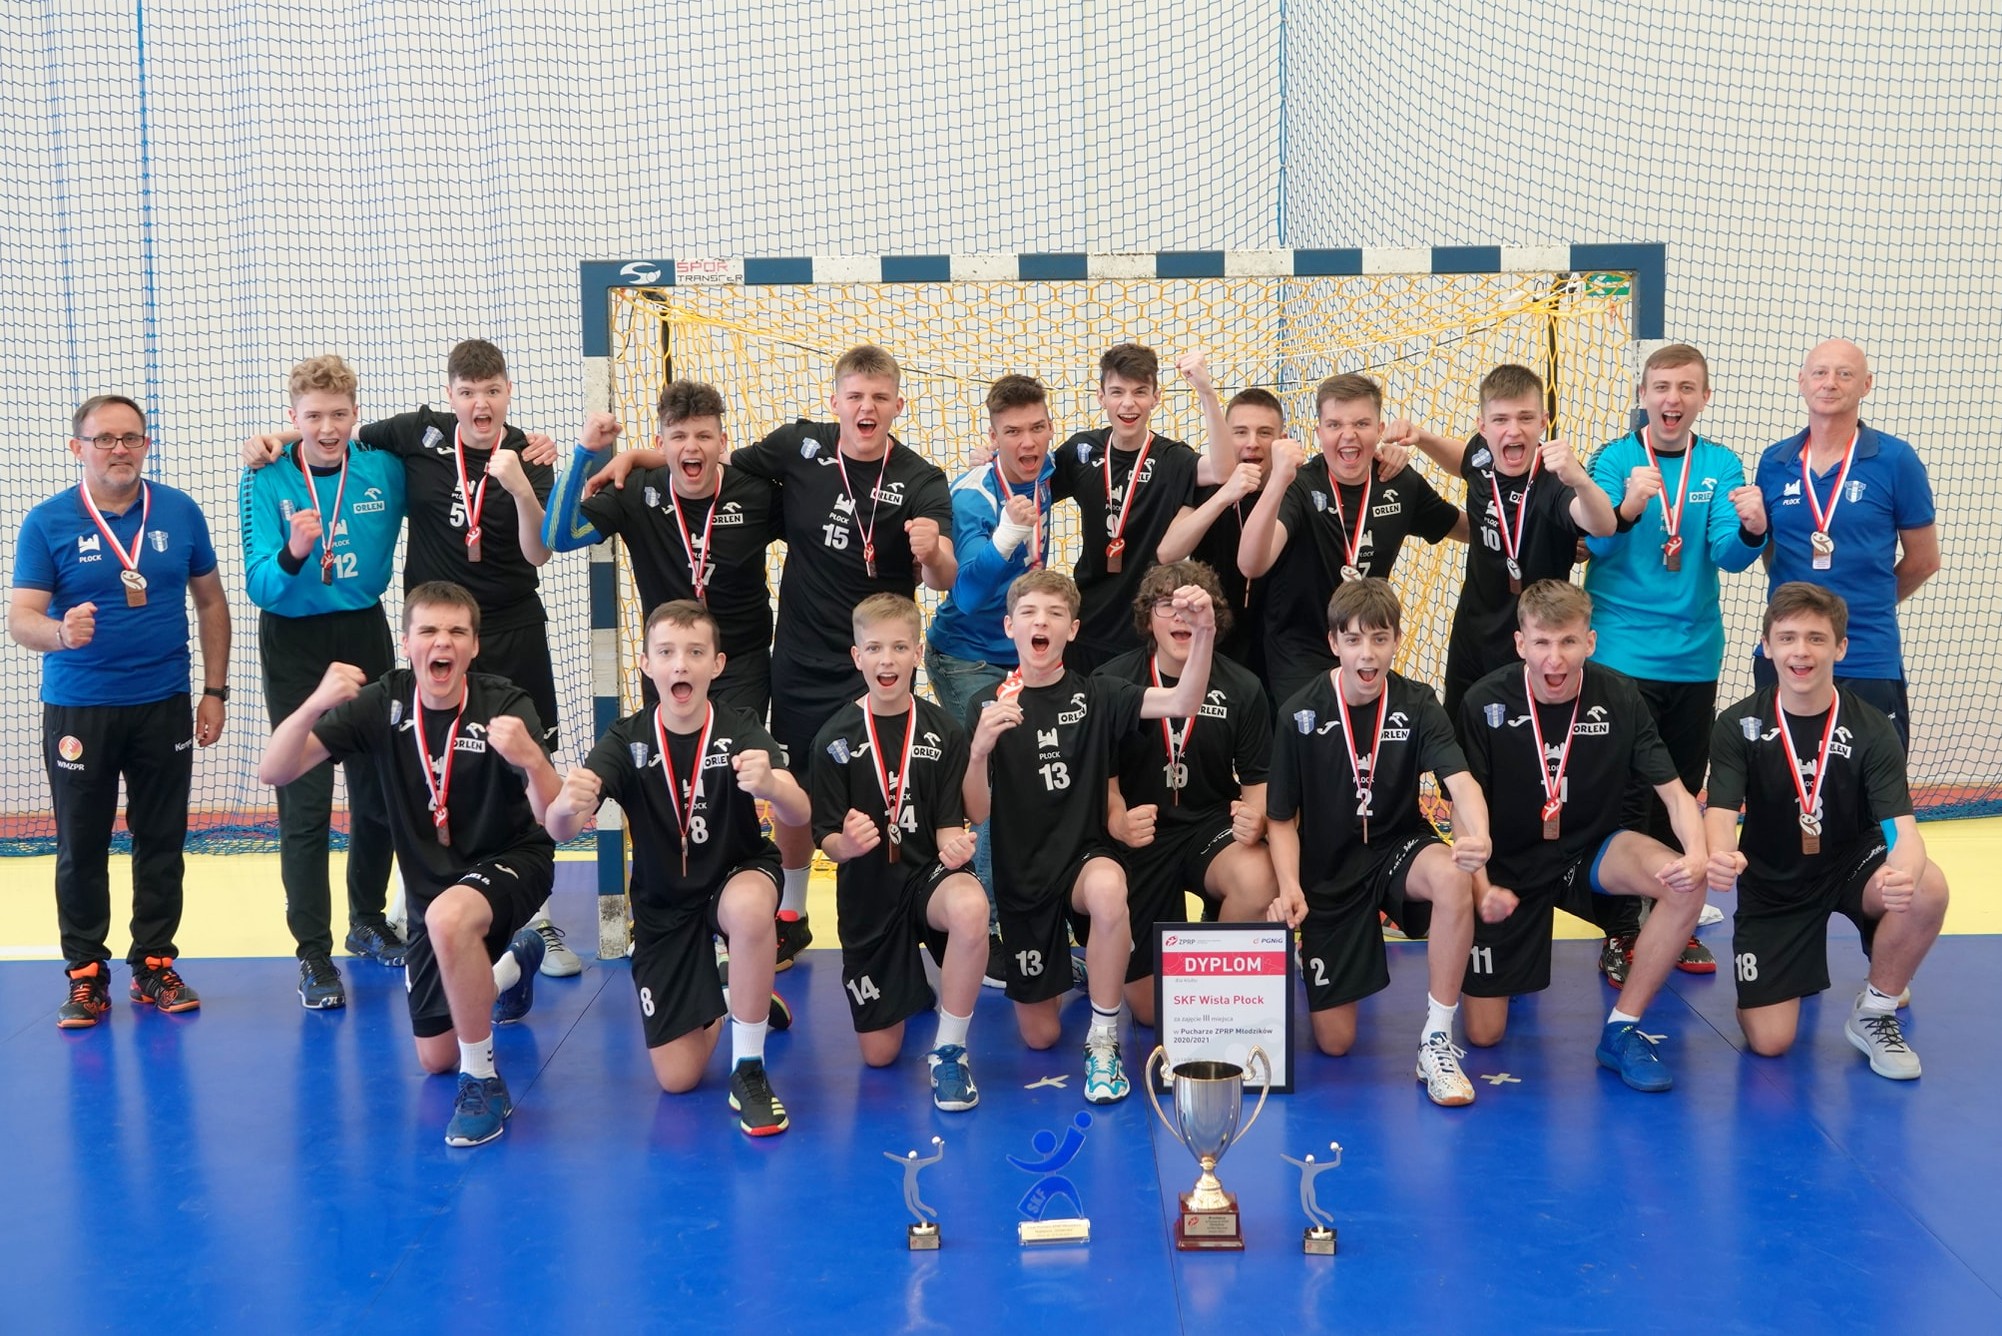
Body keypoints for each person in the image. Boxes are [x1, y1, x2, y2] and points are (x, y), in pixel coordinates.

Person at [589, 345, 957, 970]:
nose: (866, 407)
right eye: (855, 396)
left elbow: (943, 578)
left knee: (890, 786)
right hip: (800, 658)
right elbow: (712, 459)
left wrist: (933, 552)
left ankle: (912, 909)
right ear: (836, 401)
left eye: (879, 397)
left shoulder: (920, 478)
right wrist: (634, 456)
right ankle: (791, 914)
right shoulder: (798, 448)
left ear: (898, 404)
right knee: (796, 787)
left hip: (879, 659)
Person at [245, 339, 581, 976]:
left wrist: (532, 467)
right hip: (362, 636)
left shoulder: (485, 459)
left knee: (431, 782)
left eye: (492, 391)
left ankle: (480, 915)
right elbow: (328, 445)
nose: (479, 404)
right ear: (450, 395)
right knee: (342, 788)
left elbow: (540, 547)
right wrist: (276, 450)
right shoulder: (374, 448)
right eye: (467, 393)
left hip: (450, 627)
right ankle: (336, 940)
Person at [258, 581, 556, 1146]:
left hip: (514, 861)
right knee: (434, 1056)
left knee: (449, 919)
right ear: (408, 642)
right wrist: (316, 702)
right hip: (431, 892)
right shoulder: (384, 703)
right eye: (429, 630)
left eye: (456, 632)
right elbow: (275, 771)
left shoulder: (504, 703)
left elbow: (556, 821)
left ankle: (483, 1080)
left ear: (473, 646)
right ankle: (513, 966)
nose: (442, 642)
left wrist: (536, 762)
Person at [536, 599, 806, 1134]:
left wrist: (774, 786)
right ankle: (732, 994)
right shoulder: (626, 739)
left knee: (750, 910)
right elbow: (559, 830)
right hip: (663, 903)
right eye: (666, 652)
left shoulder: (740, 726)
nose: (680, 663)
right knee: (678, 1078)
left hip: (735, 874)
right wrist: (566, 805)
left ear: (717, 664)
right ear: (646, 664)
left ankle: (749, 1069)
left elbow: (799, 811)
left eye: (695, 652)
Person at [10, 394, 231, 1027]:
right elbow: (21, 617)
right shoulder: (47, 522)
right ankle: (85, 974)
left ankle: (154, 964)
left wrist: (214, 692)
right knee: (81, 844)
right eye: (104, 438)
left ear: (146, 445)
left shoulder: (179, 511)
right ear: (77, 447)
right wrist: (60, 633)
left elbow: (211, 603)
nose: (119, 449)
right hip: (80, 709)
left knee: (161, 839)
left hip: (164, 703)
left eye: (131, 437)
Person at [964, 570, 1219, 1103]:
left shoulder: (1097, 693)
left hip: (1084, 858)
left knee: (1108, 889)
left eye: (1055, 614)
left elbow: (1182, 702)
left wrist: (1204, 631)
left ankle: (1103, 1040)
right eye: (1029, 613)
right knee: (1040, 1037)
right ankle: (1080, 966)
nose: (1041, 622)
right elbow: (976, 811)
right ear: (1009, 626)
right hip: (1022, 875)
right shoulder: (987, 705)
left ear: (1073, 629)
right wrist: (979, 751)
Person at [1456, 581, 1709, 1092]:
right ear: (1520, 643)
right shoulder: (1484, 701)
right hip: (1508, 867)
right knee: (1484, 1035)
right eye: (1542, 642)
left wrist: (1698, 855)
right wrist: (1481, 887)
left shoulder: (1619, 695)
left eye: (1568, 641)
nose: (1555, 658)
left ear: (1590, 642)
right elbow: (1465, 808)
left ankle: (1621, 1030)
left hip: (1590, 853)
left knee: (1686, 883)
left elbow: (1676, 795)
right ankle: (1510, 962)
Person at [1704, 583, 1947, 1080]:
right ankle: (1788, 969)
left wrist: (1904, 872)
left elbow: (1902, 830)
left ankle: (1875, 1010)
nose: (1801, 652)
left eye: (1816, 638)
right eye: (1787, 638)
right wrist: (1721, 853)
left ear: (1840, 647)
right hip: (1774, 882)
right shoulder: (1737, 723)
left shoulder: (1871, 726)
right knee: (1770, 1042)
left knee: (1927, 886)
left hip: (1851, 863)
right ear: (1767, 646)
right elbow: (1721, 813)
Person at [1265, 578, 1490, 1105]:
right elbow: (1280, 819)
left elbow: (1461, 784)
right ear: (1333, 643)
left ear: (1396, 641)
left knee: (1454, 876)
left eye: (1380, 639)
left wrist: (1478, 836)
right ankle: (1317, 955)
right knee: (1336, 1042)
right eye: (1354, 640)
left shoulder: (1417, 702)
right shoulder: (1299, 713)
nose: (1367, 653)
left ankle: (1436, 1039)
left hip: (1396, 848)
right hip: (1328, 869)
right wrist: (1291, 885)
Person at [1581, 344, 1765, 981]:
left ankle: (1672, 916)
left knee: (1680, 792)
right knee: (1626, 797)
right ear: (1643, 394)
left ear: (1704, 398)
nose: (1672, 399)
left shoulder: (1720, 463)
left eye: (1687, 388)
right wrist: (1628, 507)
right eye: (1661, 386)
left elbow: (1728, 555)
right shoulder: (1613, 458)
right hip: (1621, 654)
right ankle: (1620, 928)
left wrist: (1753, 528)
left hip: (1692, 658)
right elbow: (1595, 541)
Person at [240, 355, 408, 1009]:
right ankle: (312, 952)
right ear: (294, 416)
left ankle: (367, 919)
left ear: (355, 414)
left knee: (378, 792)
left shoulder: (382, 468)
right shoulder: (265, 475)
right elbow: (260, 584)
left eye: (339, 414)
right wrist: (294, 553)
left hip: (365, 631)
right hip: (293, 641)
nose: (328, 428)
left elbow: (443, 448)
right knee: (305, 804)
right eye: (313, 417)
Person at [811, 594, 989, 1110]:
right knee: (880, 1055)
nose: (886, 659)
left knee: (971, 905)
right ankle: (910, 987)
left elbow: (947, 825)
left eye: (898, 647)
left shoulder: (944, 729)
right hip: (869, 895)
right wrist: (847, 843)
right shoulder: (833, 739)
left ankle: (950, 1051)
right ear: (857, 657)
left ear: (917, 653)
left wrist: (954, 847)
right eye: (874, 648)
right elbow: (828, 841)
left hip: (927, 879)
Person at [1099, 560, 1277, 1024]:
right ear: (1148, 618)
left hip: (1208, 828)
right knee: (1150, 1013)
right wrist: (1118, 821)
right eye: (1166, 605)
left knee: (1258, 875)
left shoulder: (1243, 687)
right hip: (1142, 838)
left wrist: (1255, 818)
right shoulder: (1112, 681)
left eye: (1193, 607)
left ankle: (1212, 999)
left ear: (1212, 617)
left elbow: (1258, 783)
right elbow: (1104, 781)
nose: (1180, 616)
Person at [925, 374, 1058, 988]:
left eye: (1036, 429)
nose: (1026, 443)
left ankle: (1028, 904)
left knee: (1031, 773)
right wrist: (1008, 532)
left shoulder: (1046, 467)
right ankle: (988, 930)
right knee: (989, 776)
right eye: (1012, 433)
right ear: (993, 435)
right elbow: (967, 592)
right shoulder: (974, 496)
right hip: (964, 657)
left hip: (1020, 656)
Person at [1392, 363, 1617, 719]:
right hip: (1472, 633)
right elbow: (1464, 460)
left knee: (1520, 740)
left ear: (1543, 422)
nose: (1513, 429)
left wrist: (1580, 481)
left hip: (1535, 642)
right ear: (1483, 426)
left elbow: (1603, 525)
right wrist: (1422, 438)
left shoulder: (1554, 480)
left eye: (1525, 418)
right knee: (1461, 729)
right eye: (1500, 420)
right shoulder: (1481, 454)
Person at [1750, 339, 1939, 752]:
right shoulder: (1775, 462)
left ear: (1866, 384)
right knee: (1783, 779)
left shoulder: (1896, 459)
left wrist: (1863, 604)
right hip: (1787, 655)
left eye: (1844, 374)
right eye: (1820, 372)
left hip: (1867, 654)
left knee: (1872, 783)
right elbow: (1770, 547)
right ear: (1802, 381)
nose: (1830, 383)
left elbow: (1924, 561)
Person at [1239, 373, 1461, 710]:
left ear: (1380, 429)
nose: (1348, 435)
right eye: (1335, 425)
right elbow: (1251, 564)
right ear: (1319, 432)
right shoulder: (1300, 486)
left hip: (1365, 649)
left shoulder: (1398, 482)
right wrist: (1279, 480)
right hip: (1300, 652)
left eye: (1361, 424)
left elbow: (1466, 528)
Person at [572, 380, 781, 715]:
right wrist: (583, 453)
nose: (691, 447)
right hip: (667, 661)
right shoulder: (635, 492)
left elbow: (811, 524)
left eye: (704, 436)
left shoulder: (754, 492)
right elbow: (560, 537)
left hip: (740, 665)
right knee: (672, 750)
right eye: (679, 436)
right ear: (660, 444)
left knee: (733, 749)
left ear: (722, 442)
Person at [1048, 344, 1202, 674]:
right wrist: (992, 461)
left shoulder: (1173, 458)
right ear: (1101, 396)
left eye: (1140, 392)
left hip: (1146, 629)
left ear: (1156, 397)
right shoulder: (1081, 450)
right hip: (1088, 624)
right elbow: (1032, 486)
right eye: (1117, 392)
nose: (1128, 403)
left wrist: (1205, 390)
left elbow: (1221, 471)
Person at [1177, 350, 1278, 672]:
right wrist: (1224, 495)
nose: (1252, 443)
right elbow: (1168, 551)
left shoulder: (1297, 490)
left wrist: (1391, 452)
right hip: (1213, 642)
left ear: (1283, 439)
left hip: (1279, 647)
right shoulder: (1204, 487)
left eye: (1265, 433)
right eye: (1240, 432)